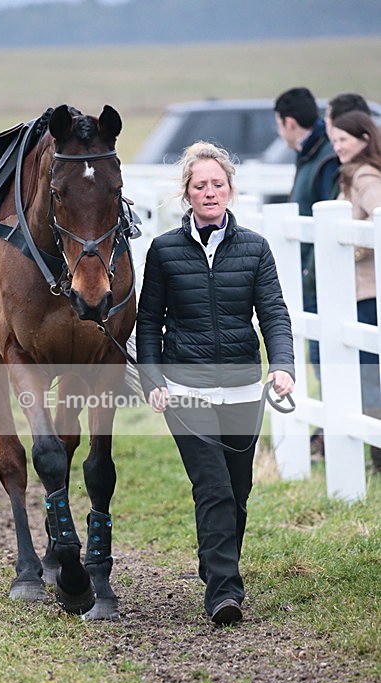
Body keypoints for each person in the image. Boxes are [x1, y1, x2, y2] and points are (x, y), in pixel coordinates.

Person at [136, 141, 295, 626]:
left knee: (238, 492)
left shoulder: (255, 248)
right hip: (186, 390)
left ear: (230, 189)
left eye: (218, 184)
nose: (210, 192)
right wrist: (152, 379)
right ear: (187, 192)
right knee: (214, 488)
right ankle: (225, 592)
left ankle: (215, 562)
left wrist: (282, 364)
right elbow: (149, 321)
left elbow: (273, 312)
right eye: (200, 185)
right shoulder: (164, 251)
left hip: (244, 389)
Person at [274, 87, 339, 458]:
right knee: (318, 356)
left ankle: (332, 432)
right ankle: (326, 431)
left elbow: (328, 217)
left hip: (321, 277)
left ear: (288, 122)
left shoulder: (325, 158)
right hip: (312, 275)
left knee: (327, 356)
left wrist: (309, 268)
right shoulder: (313, 153)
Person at [330, 110, 381, 472]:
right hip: (361, 290)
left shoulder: (364, 175)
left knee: (370, 374)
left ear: (364, 139)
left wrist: (354, 249)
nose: (337, 146)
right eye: (334, 139)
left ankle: (378, 454)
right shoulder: (354, 172)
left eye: (343, 139)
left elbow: (378, 215)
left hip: (369, 291)